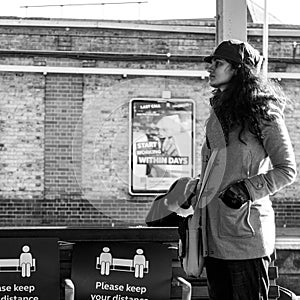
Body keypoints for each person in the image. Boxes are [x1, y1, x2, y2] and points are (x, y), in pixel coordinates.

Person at [189, 39, 297, 300]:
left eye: (218, 63)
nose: (210, 69)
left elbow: (287, 169)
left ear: (239, 69)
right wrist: (194, 188)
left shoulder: (264, 113)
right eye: (211, 63)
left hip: (245, 238)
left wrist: (246, 190)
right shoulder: (219, 114)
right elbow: (218, 169)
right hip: (213, 237)